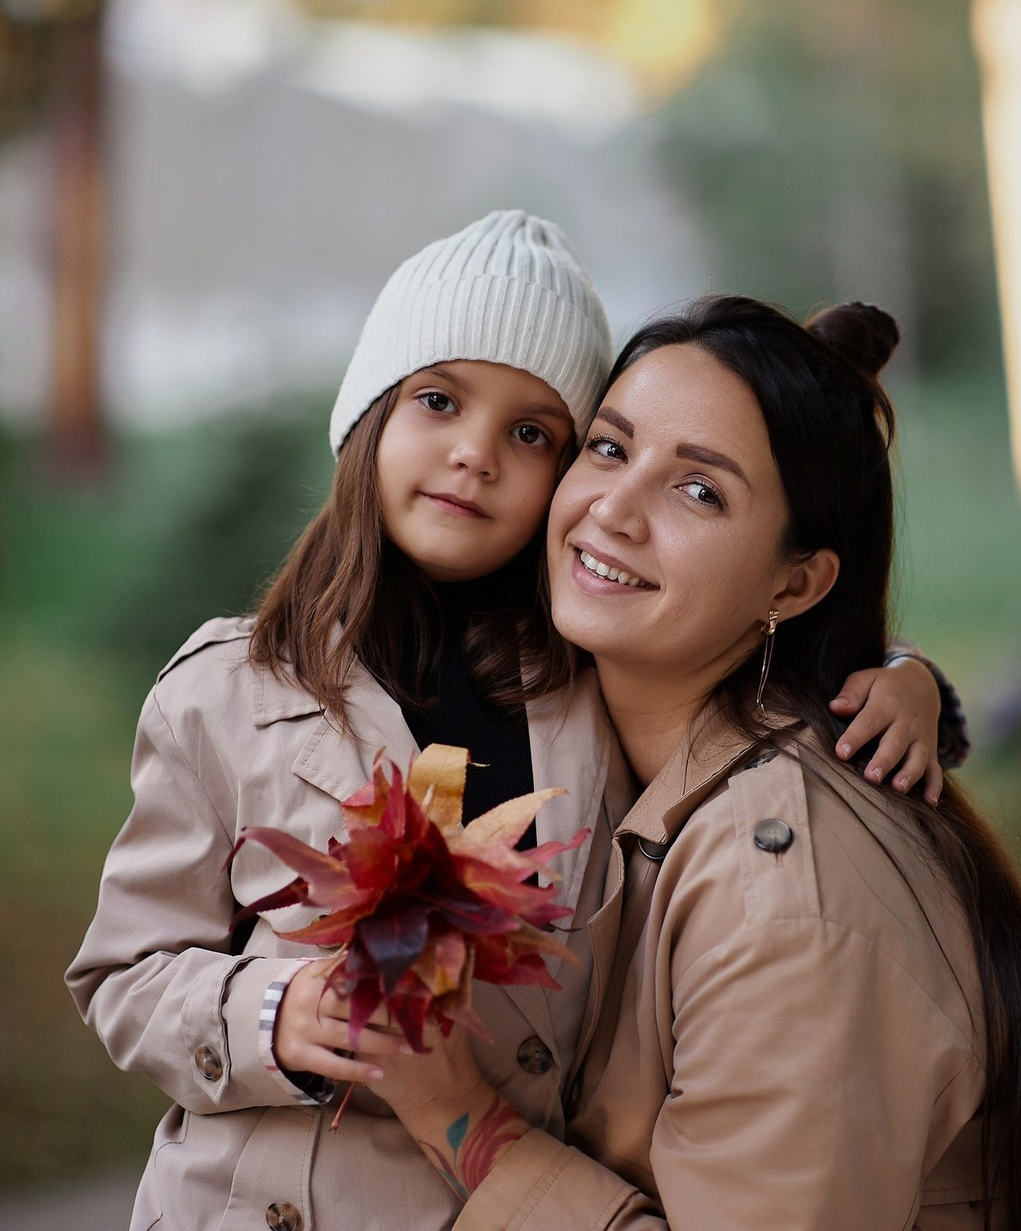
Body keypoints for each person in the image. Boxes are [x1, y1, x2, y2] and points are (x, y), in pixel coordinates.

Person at [67, 215, 962, 1231]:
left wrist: (898, 673)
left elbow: (747, 663)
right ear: (369, 413)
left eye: (531, 432)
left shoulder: (589, 675)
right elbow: (122, 972)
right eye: (437, 399)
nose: (473, 454)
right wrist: (273, 1013)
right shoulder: (230, 687)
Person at [362, 296, 1021, 1231]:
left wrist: (458, 1117)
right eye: (608, 448)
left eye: (700, 492)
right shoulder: (578, 736)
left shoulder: (782, 900)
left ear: (795, 583)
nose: (613, 507)